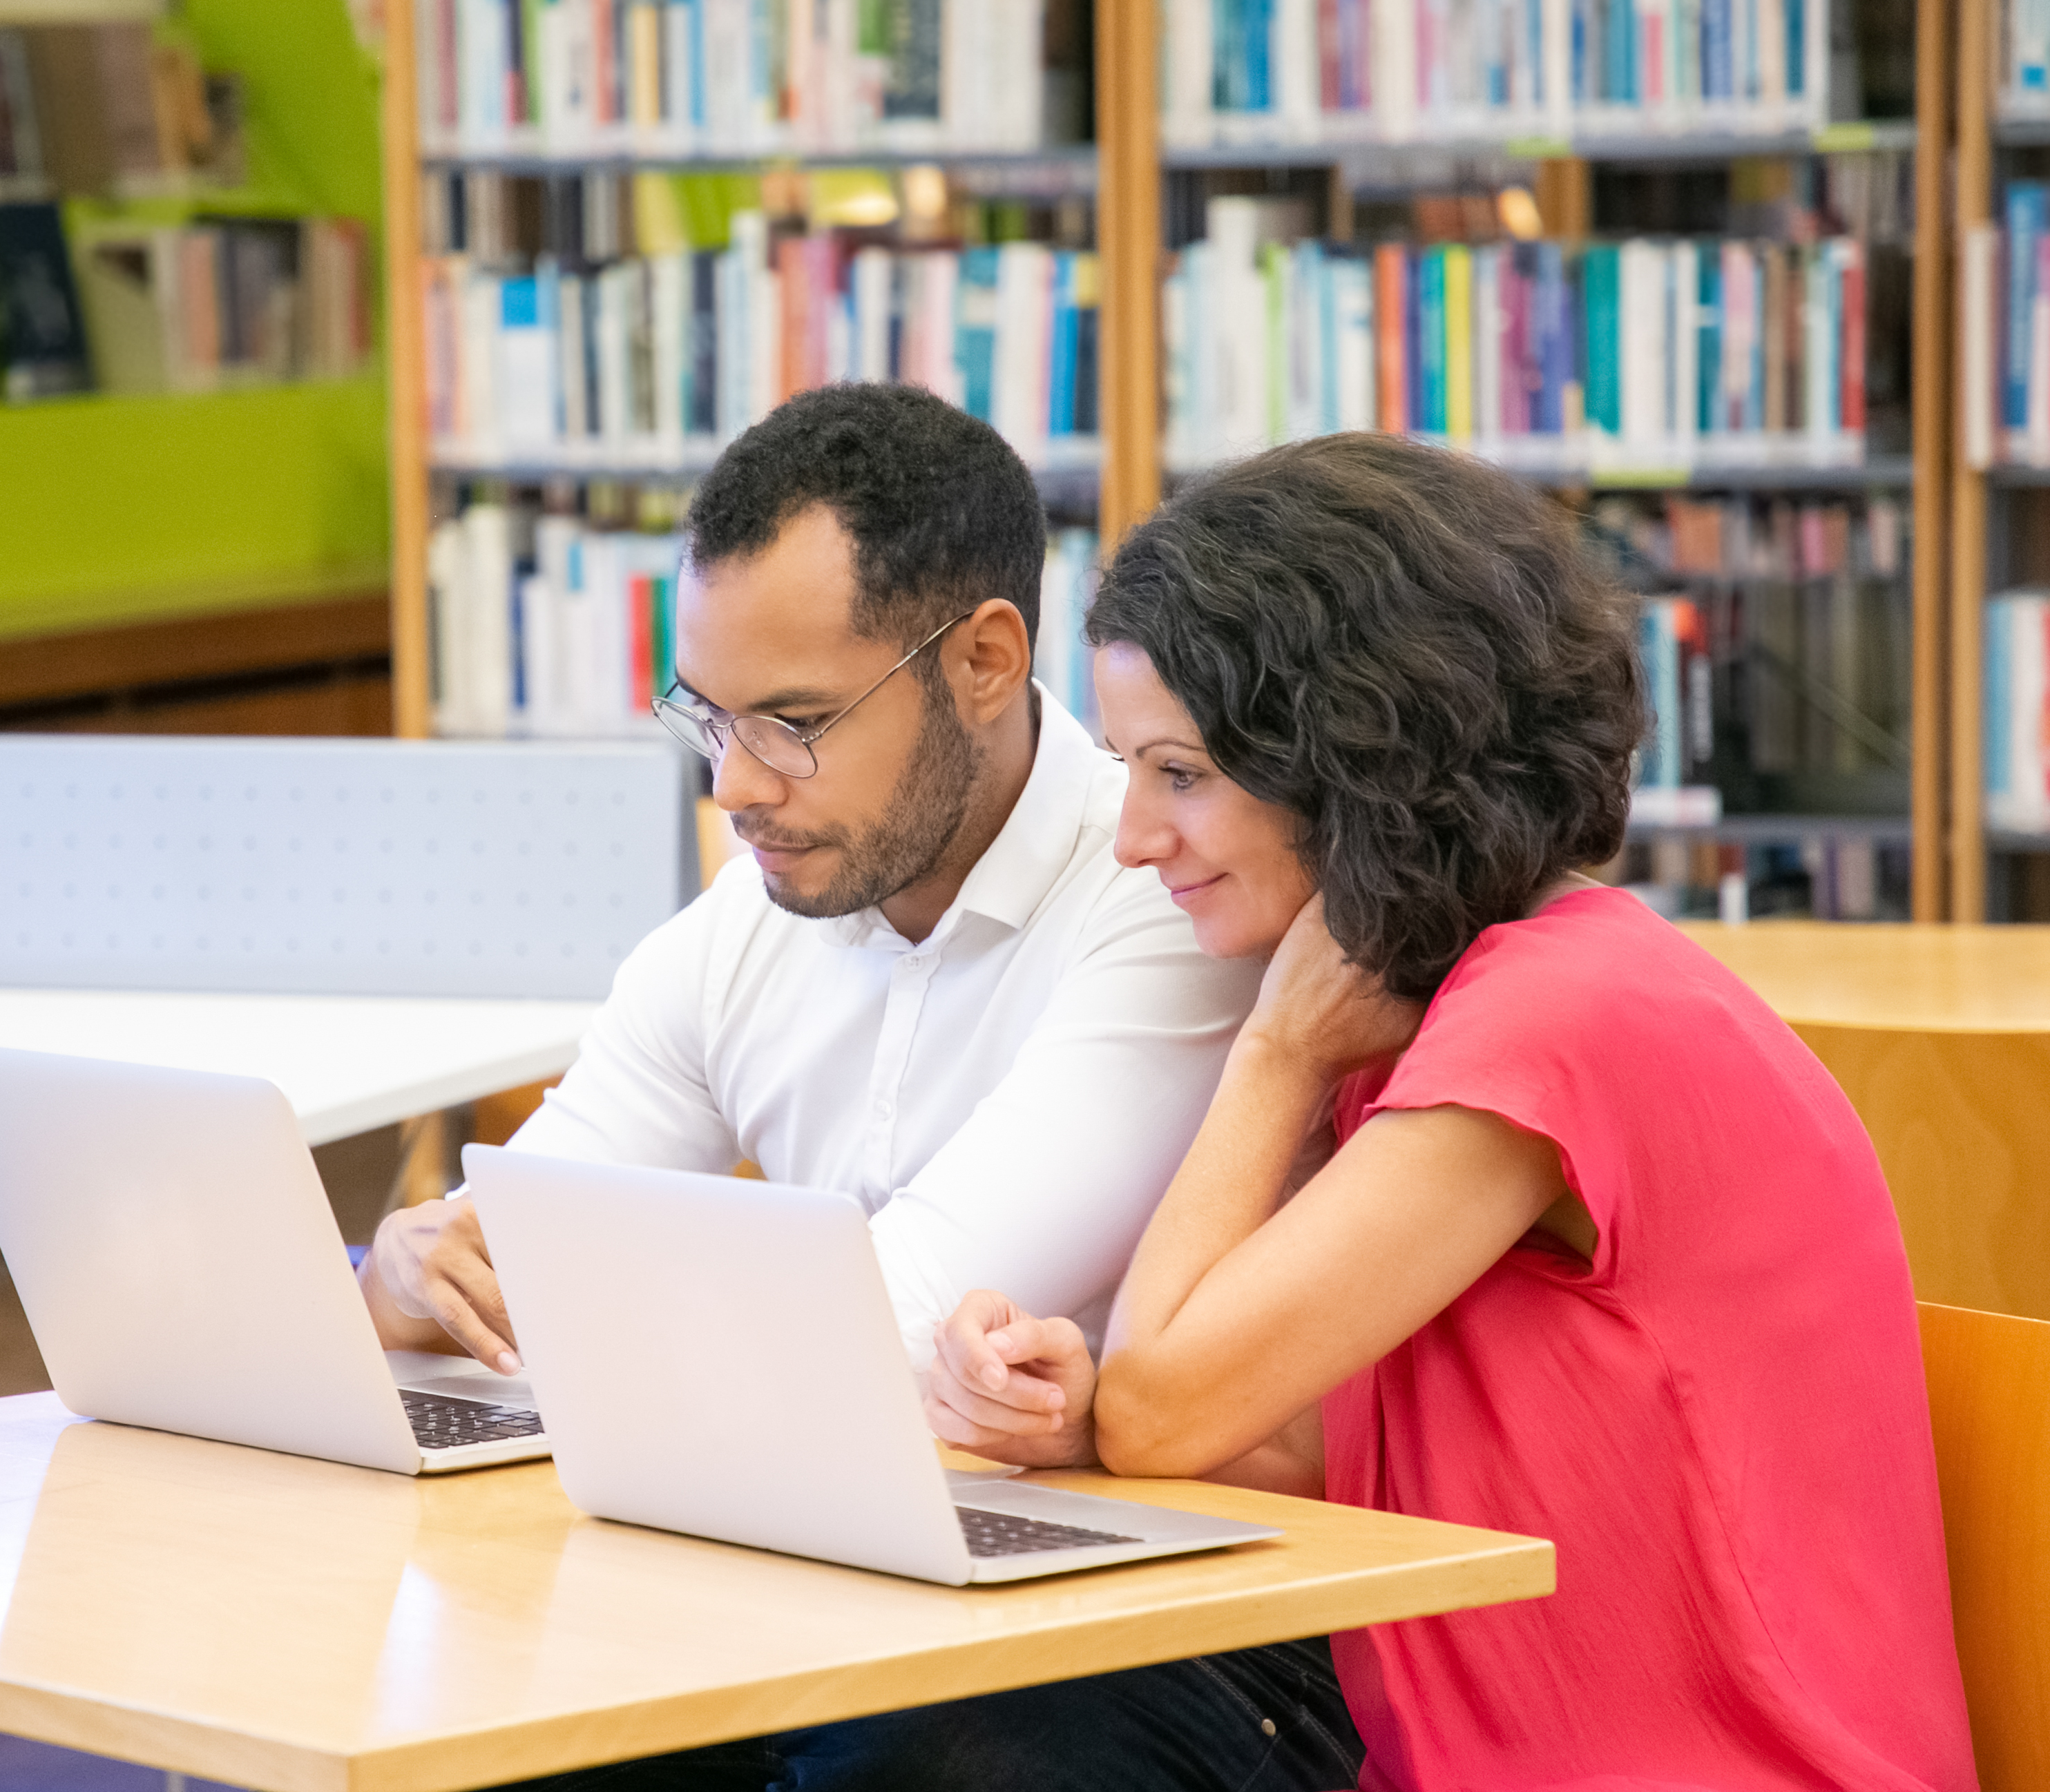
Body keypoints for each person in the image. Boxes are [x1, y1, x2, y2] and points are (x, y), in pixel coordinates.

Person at [917, 433, 1978, 1790]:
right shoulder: (1448, 1002)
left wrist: (1272, 1057)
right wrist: (1068, 1416)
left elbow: (1164, 1413)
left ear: (1354, 757)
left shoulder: (1555, 1015)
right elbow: (1311, 1443)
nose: (1131, 837)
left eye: (1177, 773)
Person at [360, 382, 1259, 1375]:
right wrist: (410, 1275)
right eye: (706, 718)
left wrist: (591, 1296)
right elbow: (489, 1269)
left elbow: (898, 1325)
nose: (733, 787)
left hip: (1115, 1515)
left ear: (985, 662)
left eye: (791, 727)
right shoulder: (749, 917)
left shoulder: (1167, 897)